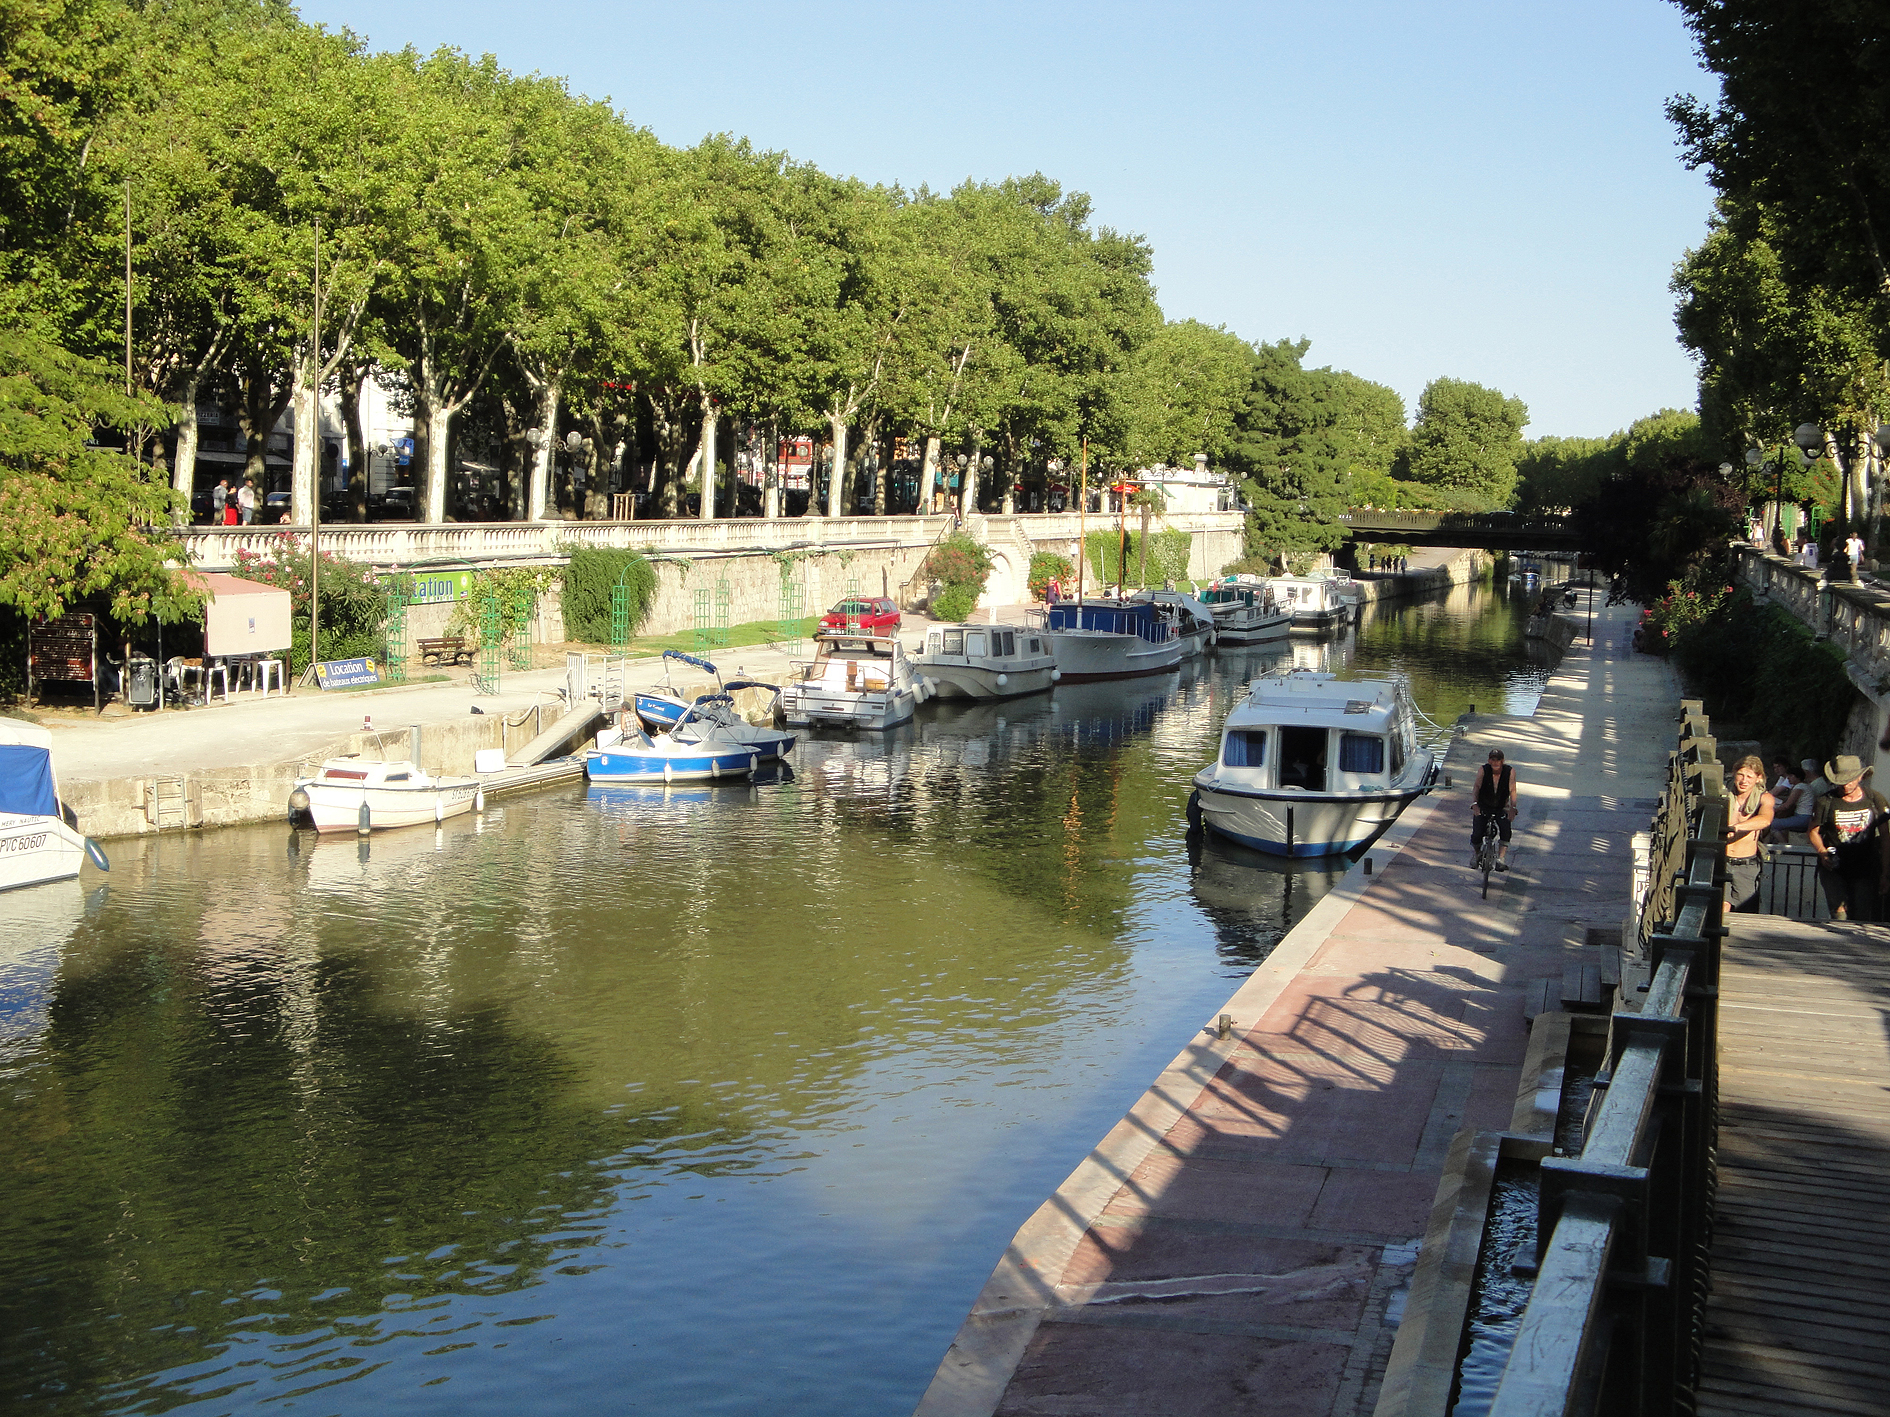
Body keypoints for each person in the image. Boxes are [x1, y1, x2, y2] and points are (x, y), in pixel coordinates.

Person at [1807, 754, 1890, 921]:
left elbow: (1886, 837)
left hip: (1866, 869)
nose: (1846, 784)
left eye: (1851, 779)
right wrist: (1822, 851)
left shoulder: (1875, 799)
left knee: (1861, 916)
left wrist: (1885, 873)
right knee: (1840, 915)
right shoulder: (1826, 801)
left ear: (1861, 776)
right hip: (1834, 868)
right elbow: (1812, 831)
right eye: (1842, 780)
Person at [1722, 755, 1774, 911]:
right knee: (1722, 906)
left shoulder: (1765, 798)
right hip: (1722, 860)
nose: (1744, 780)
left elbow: (1765, 820)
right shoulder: (1723, 795)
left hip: (1746, 864)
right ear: (1734, 774)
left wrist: (1737, 827)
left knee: (1744, 910)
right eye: (1740, 775)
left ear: (1758, 778)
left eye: (1749, 776)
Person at [1470, 748, 1518, 872]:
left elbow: (1512, 790)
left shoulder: (1510, 771)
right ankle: (1477, 854)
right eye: (1493, 760)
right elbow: (1476, 787)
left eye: (1498, 760)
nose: (1495, 763)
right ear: (1489, 760)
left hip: (1501, 807)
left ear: (1502, 761)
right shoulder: (1483, 770)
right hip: (1484, 806)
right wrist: (1475, 804)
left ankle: (1500, 859)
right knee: (1477, 834)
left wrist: (1512, 808)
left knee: (1506, 830)